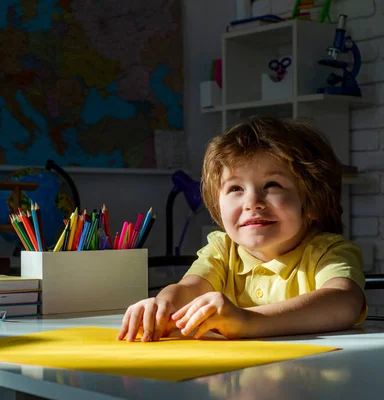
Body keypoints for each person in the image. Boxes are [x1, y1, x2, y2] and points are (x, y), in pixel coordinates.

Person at [117, 116, 366, 342]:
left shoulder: (327, 251)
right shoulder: (222, 249)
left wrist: (247, 321)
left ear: (311, 202)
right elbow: (189, 288)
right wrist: (162, 305)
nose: (252, 202)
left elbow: (344, 302)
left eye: (272, 185)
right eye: (236, 188)